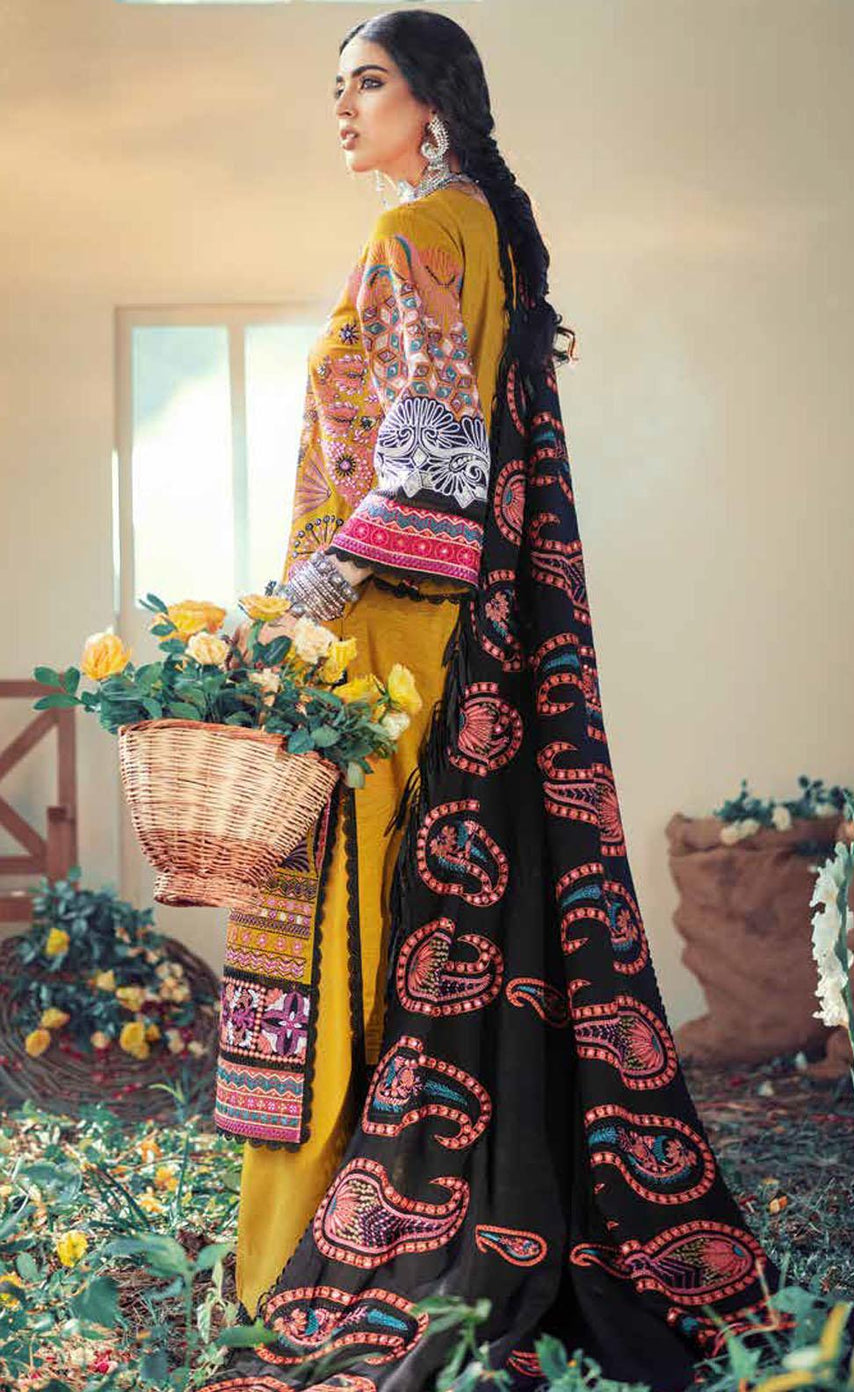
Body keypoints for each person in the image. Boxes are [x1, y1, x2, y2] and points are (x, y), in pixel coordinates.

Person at [205, 11, 793, 1391]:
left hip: (384, 648)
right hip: (468, 651)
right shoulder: (491, 237)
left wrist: (290, 605)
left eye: (367, 83)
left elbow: (433, 480)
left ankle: (308, 1245)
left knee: (334, 932)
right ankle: (419, 1209)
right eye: (336, 87)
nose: (342, 109)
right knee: (402, 929)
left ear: (434, 100)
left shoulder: (410, 234)